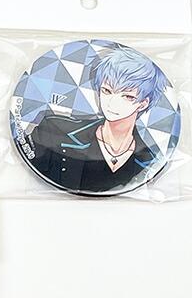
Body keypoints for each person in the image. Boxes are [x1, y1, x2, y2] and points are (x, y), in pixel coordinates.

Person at [26, 44, 167, 194]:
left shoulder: (150, 161)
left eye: (127, 96)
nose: (112, 103)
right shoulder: (53, 130)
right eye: (107, 91)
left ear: (143, 103)